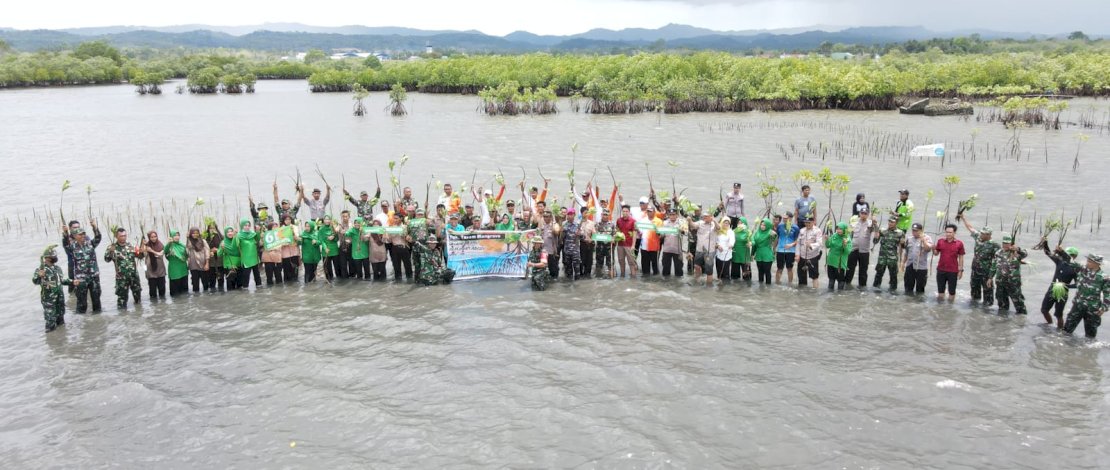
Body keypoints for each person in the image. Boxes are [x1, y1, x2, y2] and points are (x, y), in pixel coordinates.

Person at [1062, 254, 1109, 339]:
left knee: (1090, 336)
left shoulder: (1104, 278)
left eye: (1090, 261)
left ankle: (1089, 352)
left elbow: (1107, 294)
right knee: (1066, 331)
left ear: (1097, 264)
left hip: (1092, 308)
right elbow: (1070, 262)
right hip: (1078, 305)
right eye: (1087, 261)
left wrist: (1103, 308)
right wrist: (1061, 252)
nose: (1087, 263)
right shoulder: (1083, 270)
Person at [34, 245, 78, 332]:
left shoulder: (57, 268)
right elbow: (35, 281)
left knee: (61, 321)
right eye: (52, 256)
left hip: (59, 298)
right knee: (50, 322)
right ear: (46, 258)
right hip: (49, 300)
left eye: (55, 256)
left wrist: (72, 281)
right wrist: (39, 275)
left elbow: (60, 281)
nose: (55, 258)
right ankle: (51, 341)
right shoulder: (41, 269)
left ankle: (60, 339)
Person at [960, 217, 1000, 306]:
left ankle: (987, 310)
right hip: (975, 270)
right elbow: (970, 227)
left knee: (988, 293)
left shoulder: (994, 245)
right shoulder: (978, 237)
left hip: (986, 272)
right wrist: (963, 217)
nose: (981, 234)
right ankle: (974, 310)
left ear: (988, 235)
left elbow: (1001, 255)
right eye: (981, 232)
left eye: (983, 233)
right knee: (974, 292)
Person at [1040, 244, 1081, 328]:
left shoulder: (1076, 267)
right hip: (1052, 289)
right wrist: (1045, 243)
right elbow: (1048, 253)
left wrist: (1067, 286)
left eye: (1069, 254)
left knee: (1058, 315)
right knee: (1044, 310)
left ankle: (1059, 332)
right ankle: (1049, 325)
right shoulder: (1059, 261)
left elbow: (1078, 284)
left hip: (1063, 292)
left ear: (1075, 256)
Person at [66, 223, 102, 313]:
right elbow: (65, 243)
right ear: (74, 236)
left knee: (96, 300)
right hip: (81, 279)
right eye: (80, 234)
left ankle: (97, 321)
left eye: (84, 234)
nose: (83, 236)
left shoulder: (90, 244)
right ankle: (81, 322)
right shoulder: (72, 247)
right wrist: (65, 233)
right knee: (82, 303)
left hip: (94, 276)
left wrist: (94, 227)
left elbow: (98, 237)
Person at [103, 228, 143, 309]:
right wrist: (110, 252)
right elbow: (107, 260)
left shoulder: (130, 246)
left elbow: (140, 257)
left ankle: (138, 315)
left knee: (138, 299)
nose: (123, 238)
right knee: (122, 300)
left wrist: (142, 251)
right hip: (121, 278)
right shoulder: (112, 247)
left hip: (134, 276)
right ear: (116, 236)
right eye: (121, 236)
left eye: (125, 236)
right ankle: (123, 318)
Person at [995, 235, 1028, 315]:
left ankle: (1021, 322)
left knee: (1019, 305)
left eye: (1007, 243)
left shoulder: (1016, 253)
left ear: (1011, 244)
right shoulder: (998, 253)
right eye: (1004, 243)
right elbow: (994, 266)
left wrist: (1017, 249)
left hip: (1013, 283)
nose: (1005, 245)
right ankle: (1003, 323)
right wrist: (989, 278)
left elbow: (1025, 253)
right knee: (1002, 306)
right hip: (1000, 282)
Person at [933, 224, 966, 300]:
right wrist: (933, 248)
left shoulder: (959, 243)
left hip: (953, 271)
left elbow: (961, 257)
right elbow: (936, 254)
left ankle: (950, 308)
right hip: (941, 270)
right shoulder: (940, 241)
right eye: (947, 232)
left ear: (954, 233)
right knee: (940, 292)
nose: (948, 234)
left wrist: (960, 270)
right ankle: (941, 308)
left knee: (952, 292)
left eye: (950, 232)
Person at [845, 208, 876, 287]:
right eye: (862, 213)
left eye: (865, 213)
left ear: (868, 215)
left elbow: (875, 231)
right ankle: (847, 285)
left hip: (864, 251)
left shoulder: (870, 223)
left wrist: (874, 222)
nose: (863, 215)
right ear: (859, 213)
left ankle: (862, 288)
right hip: (853, 249)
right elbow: (848, 233)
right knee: (849, 268)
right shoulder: (854, 222)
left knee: (863, 271)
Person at [901, 223, 932, 294]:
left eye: (916, 231)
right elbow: (906, 252)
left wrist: (923, 240)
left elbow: (928, 249)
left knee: (920, 289)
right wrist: (903, 263)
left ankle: (918, 304)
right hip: (910, 265)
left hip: (921, 267)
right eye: (913, 230)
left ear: (921, 231)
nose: (914, 232)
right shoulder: (909, 239)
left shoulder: (927, 238)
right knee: (908, 288)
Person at [872, 216, 903, 290]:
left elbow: (903, 246)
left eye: (892, 222)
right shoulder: (883, 230)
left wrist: (901, 262)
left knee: (893, 277)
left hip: (892, 258)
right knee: (878, 275)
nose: (890, 223)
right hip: (882, 258)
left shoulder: (900, 233)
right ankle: (875, 290)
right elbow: (875, 241)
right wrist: (876, 233)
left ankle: (893, 292)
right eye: (889, 221)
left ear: (896, 223)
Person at [691, 212, 718, 286]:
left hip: (710, 251)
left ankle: (709, 285)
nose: (704, 218)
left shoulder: (713, 224)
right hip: (699, 249)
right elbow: (693, 225)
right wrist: (689, 221)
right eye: (704, 216)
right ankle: (697, 282)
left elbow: (718, 228)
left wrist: (714, 220)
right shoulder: (700, 223)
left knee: (709, 270)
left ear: (710, 217)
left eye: (706, 216)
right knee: (696, 266)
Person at [796, 217, 823, 288]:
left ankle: (814, 293)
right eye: (806, 222)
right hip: (802, 256)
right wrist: (797, 255)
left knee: (814, 276)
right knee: (801, 276)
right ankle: (802, 293)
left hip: (813, 256)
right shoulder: (802, 230)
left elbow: (820, 243)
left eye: (809, 223)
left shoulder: (817, 231)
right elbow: (798, 243)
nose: (807, 224)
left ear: (813, 222)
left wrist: (811, 245)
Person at [235, 219, 262, 289]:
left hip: (254, 257)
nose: (247, 227)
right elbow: (236, 245)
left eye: (248, 225)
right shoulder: (239, 235)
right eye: (245, 226)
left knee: (257, 275)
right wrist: (235, 237)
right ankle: (245, 289)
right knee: (246, 276)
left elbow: (257, 239)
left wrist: (258, 231)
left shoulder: (252, 233)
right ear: (242, 226)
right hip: (246, 259)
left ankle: (259, 289)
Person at [825, 221, 851, 290]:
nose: (838, 230)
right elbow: (828, 246)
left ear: (845, 229)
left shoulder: (847, 238)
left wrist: (845, 245)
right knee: (831, 280)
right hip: (830, 261)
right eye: (837, 228)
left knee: (840, 281)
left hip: (839, 264)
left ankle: (840, 297)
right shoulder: (834, 235)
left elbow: (847, 252)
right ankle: (830, 297)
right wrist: (827, 240)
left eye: (840, 229)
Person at [142, 230, 167, 300]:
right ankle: (154, 307)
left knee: (162, 292)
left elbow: (160, 254)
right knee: (152, 293)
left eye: (155, 236)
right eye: (151, 237)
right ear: (149, 238)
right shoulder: (146, 246)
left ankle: (162, 307)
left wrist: (151, 251)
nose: (154, 238)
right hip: (150, 272)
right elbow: (140, 254)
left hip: (160, 271)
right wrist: (143, 244)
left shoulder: (160, 245)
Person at [775, 212, 799, 284]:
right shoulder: (780, 226)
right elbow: (777, 238)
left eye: (786, 218)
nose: (784, 219)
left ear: (791, 218)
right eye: (783, 218)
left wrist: (791, 245)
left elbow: (797, 240)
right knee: (779, 268)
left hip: (791, 251)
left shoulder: (795, 227)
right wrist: (774, 248)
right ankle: (777, 283)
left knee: (789, 268)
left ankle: (790, 284)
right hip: (780, 250)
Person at [660, 209, 685, 277]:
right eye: (670, 214)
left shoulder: (681, 223)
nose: (672, 216)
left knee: (679, 272)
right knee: (665, 271)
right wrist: (660, 234)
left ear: (676, 215)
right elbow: (661, 235)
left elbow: (685, 232)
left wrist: (682, 230)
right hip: (667, 249)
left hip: (678, 250)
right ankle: (666, 286)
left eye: (674, 214)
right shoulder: (664, 223)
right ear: (668, 215)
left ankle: (678, 286)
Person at [388, 213, 413, 281]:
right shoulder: (391, 228)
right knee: (396, 266)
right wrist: (385, 234)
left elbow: (410, 239)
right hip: (394, 247)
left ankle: (410, 279)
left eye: (396, 218)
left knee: (407, 265)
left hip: (404, 247)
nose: (395, 220)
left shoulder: (406, 227)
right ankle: (398, 282)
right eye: (394, 218)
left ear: (401, 218)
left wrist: (406, 236)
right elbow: (389, 240)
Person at [185, 227, 210, 293]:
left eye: (197, 233)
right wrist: (187, 238)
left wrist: (207, 263)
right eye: (193, 233)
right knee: (195, 285)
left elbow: (207, 252)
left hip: (203, 265)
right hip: (193, 266)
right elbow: (187, 250)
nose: (195, 234)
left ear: (199, 233)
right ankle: (196, 300)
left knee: (205, 284)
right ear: (190, 234)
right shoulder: (189, 241)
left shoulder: (203, 241)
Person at [165, 229, 189, 296]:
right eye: (175, 235)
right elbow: (164, 251)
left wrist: (188, 238)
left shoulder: (182, 245)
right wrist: (168, 243)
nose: (177, 237)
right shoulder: (169, 246)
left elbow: (187, 255)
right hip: (174, 272)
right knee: (175, 294)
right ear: (171, 236)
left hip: (183, 271)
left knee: (185, 293)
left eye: (178, 235)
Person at [752, 218, 776, 284]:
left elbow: (775, 237)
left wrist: (774, 233)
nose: (762, 226)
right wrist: (752, 254)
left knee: (767, 272)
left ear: (767, 226)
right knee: (760, 272)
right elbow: (754, 244)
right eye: (761, 225)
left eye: (764, 225)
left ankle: (768, 288)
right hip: (759, 255)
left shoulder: (770, 232)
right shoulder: (757, 233)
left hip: (767, 255)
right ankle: (761, 288)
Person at [615, 205, 637, 278]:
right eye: (623, 211)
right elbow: (617, 231)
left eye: (626, 211)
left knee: (631, 262)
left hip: (629, 245)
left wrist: (633, 245)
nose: (625, 213)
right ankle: (622, 275)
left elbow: (634, 234)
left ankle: (633, 277)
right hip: (620, 244)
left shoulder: (633, 221)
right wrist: (615, 240)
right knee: (621, 261)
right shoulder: (618, 220)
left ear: (629, 212)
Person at [561, 208, 583, 281]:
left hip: (575, 251)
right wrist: (562, 231)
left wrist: (580, 234)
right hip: (567, 251)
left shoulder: (578, 225)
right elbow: (561, 238)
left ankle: (577, 287)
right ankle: (568, 288)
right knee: (568, 272)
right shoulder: (564, 224)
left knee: (577, 271)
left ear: (574, 215)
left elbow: (583, 237)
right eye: (569, 214)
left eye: (572, 214)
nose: (570, 216)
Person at [60, 219, 82, 293]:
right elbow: (67, 245)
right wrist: (65, 232)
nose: (77, 229)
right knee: (72, 289)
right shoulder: (67, 239)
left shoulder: (84, 237)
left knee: (85, 288)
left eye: (78, 227)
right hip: (73, 267)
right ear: (70, 228)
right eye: (74, 227)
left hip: (84, 268)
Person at [594, 209, 616, 278]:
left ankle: (611, 277)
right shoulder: (597, 224)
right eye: (604, 214)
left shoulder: (612, 225)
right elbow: (594, 234)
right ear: (601, 215)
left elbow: (614, 234)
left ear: (609, 215)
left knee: (610, 264)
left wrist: (613, 239)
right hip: (599, 248)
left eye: (606, 215)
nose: (605, 216)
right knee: (599, 264)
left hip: (609, 248)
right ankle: (598, 277)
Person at [279, 215, 302, 281]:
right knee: (286, 269)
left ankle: (295, 285)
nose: (288, 221)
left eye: (289, 219)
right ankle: (288, 284)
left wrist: (295, 236)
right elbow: (279, 241)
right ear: (283, 221)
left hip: (294, 251)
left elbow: (299, 239)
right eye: (286, 220)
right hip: (285, 253)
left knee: (295, 269)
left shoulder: (295, 227)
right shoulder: (280, 229)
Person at [204, 222, 225, 291]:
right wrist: (210, 251)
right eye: (210, 228)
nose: (212, 230)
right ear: (208, 229)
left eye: (214, 228)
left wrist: (218, 249)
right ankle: (212, 296)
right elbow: (202, 250)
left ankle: (222, 295)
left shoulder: (221, 237)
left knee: (221, 281)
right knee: (212, 282)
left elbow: (225, 248)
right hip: (211, 263)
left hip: (220, 262)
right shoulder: (205, 238)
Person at [731, 216, 752, 282]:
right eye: (738, 223)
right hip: (735, 255)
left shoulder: (748, 232)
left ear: (745, 224)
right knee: (735, 278)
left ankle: (746, 291)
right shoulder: (734, 231)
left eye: (741, 223)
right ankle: (736, 291)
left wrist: (750, 243)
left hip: (745, 256)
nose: (739, 224)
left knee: (747, 278)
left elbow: (753, 240)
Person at [715, 217, 735, 282]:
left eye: (727, 223)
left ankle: (726, 288)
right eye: (725, 223)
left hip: (727, 254)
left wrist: (731, 244)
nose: (726, 224)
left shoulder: (730, 232)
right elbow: (715, 241)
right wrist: (717, 246)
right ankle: (720, 287)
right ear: (722, 223)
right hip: (718, 254)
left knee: (726, 273)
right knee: (719, 272)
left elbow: (732, 240)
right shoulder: (718, 231)